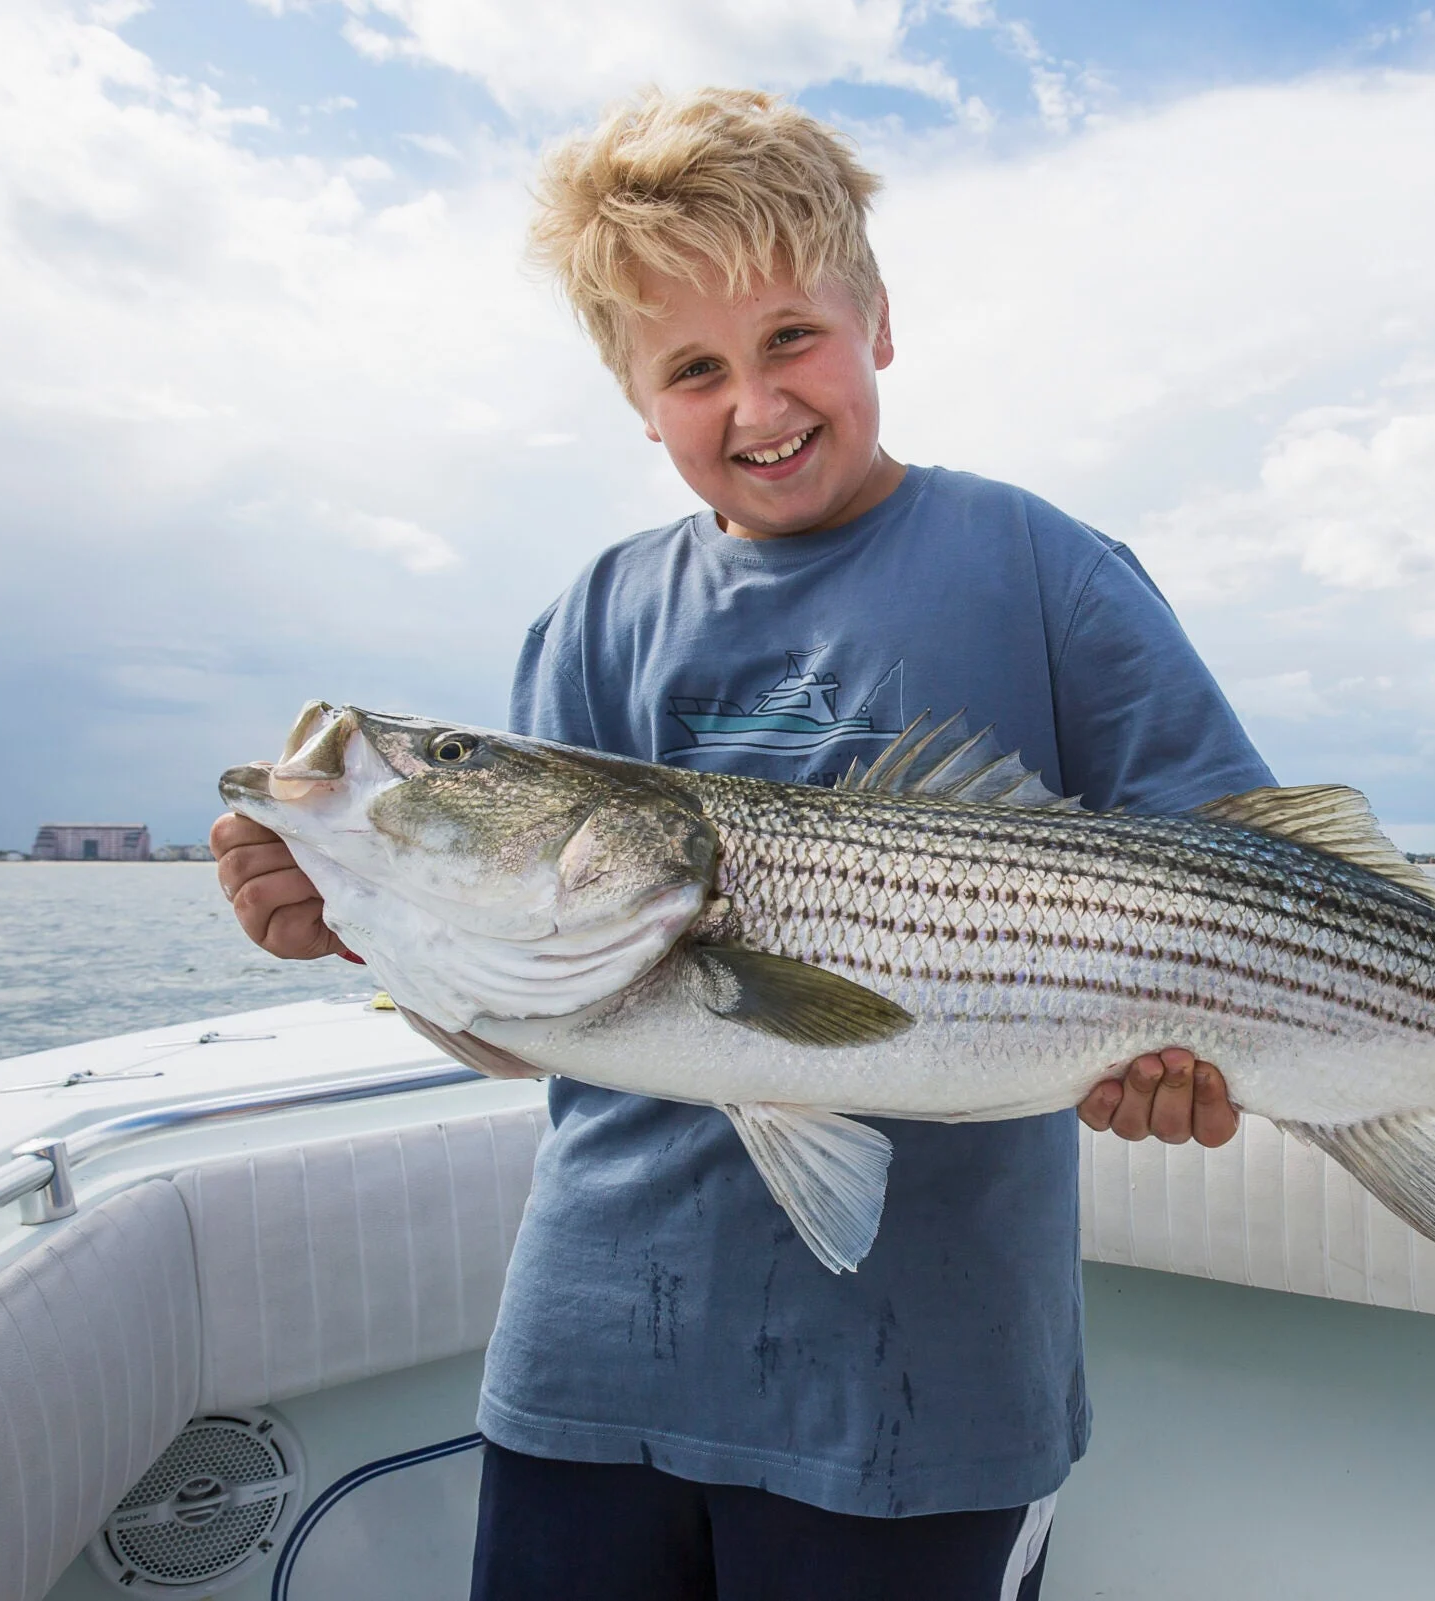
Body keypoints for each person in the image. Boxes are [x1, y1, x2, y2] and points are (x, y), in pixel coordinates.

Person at [211, 87, 1271, 1600]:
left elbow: (1258, 879)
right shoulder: (592, 618)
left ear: (880, 324)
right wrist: (362, 913)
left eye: (792, 339)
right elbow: (524, 1025)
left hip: (931, 1399)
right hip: (590, 1365)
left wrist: (1198, 1061)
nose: (756, 405)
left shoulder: (1046, 573)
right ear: (638, 403)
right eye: (693, 370)